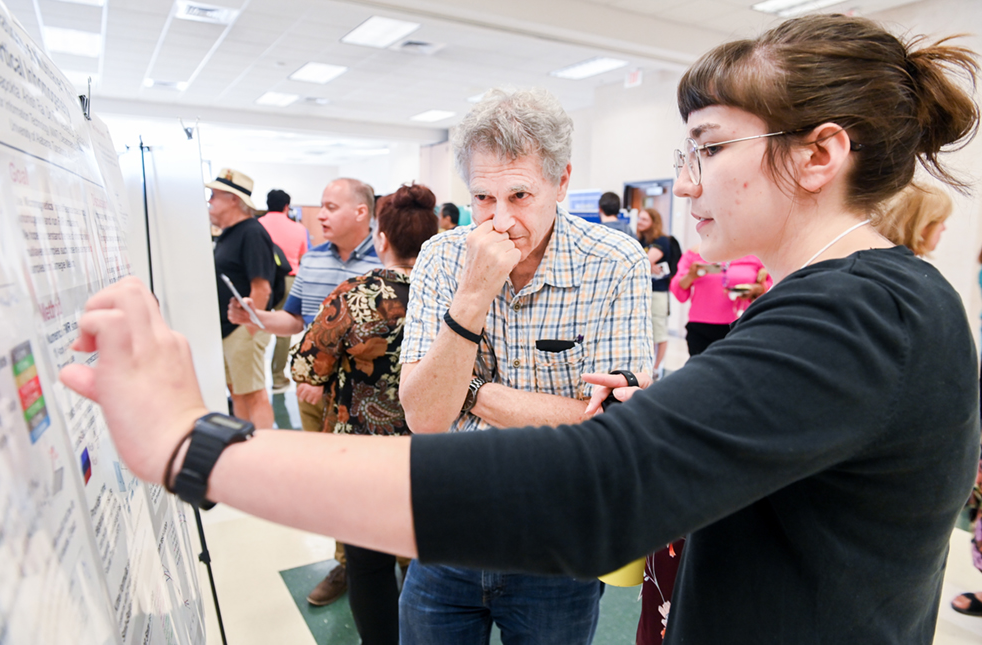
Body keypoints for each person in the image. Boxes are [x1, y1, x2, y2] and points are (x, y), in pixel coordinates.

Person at [59, 14, 980, 644]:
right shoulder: (844, 305)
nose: (687, 182)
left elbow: (594, 484)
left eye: (706, 148)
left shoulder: (861, 314)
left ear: (819, 154)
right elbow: (546, 434)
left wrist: (198, 445)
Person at [396, 88, 653, 644]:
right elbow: (423, 415)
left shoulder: (614, 263)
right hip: (448, 527)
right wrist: (472, 296)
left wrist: (469, 389)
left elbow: (610, 430)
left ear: (560, 183)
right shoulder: (444, 256)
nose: (501, 219)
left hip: (556, 541)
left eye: (520, 194)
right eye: (483, 198)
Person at [288, 184, 438, 644]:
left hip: (364, 457)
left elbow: (307, 367)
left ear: (382, 239)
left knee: (368, 565)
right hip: (433, 454)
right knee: (430, 562)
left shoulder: (356, 295)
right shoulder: (452, 296)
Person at [228, 177, 380, 607]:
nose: (322, 215)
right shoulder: (312, 261)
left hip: (373, 402)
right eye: (323, 206)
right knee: (333, 483)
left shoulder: (388, 262)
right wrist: (255, 318)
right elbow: (296, 322)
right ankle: (346, 561)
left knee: (380, 479)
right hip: (316, 395)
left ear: (361, 213)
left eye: (332, 207)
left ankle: (405, 562)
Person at [206, 168, 276, 429]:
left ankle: (264, 452)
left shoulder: (251, 233)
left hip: (243, 329)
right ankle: (244, 444)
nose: (210, 201)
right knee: (237, 391)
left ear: (233, 199)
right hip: (229, 328)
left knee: (253, 393)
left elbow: (262, 288)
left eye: (214, 195)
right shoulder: (228, 234)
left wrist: (249, 329)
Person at [669, 249, 769, 355]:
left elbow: (771, 285)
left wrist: (758, 289)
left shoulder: (754, 256)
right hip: (701, 327)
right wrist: (691, 275)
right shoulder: (694, 255)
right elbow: (679, 292)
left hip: (741, 325)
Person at [258, 189, 309, 392]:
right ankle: (278, 377)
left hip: (261, 279)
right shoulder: (298, 228)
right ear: (287, 206)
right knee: (284, 330)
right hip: (289, 281)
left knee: (256, 324)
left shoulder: (257, 226)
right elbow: (304, 256)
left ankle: (256, 380)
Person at [635, 208, 682, 379]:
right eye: (639, 218)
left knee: (659, 331)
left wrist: (645, 264)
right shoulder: (641, 241)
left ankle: (655, 367)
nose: (639, 222)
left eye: (644, 219)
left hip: (658, 293)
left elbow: (641, 261)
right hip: (644, 292)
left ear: (653, 222)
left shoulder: (662, 241)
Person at [876, 182, 953, 256]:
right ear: (922, 225)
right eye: (941, 221)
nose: (943, 228)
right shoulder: (910, 268)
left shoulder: (871, 256)